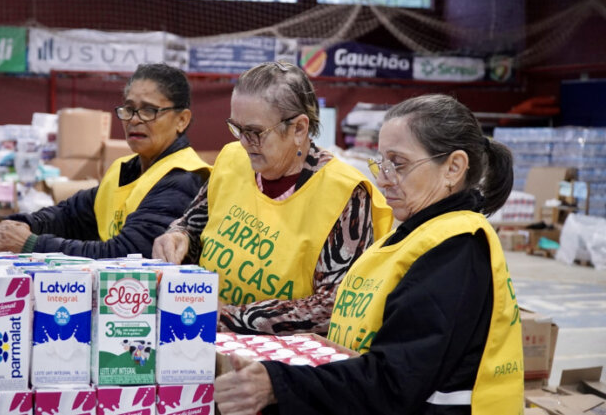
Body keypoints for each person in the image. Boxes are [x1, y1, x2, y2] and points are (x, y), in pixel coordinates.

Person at [214, 94, 524, 415]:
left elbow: (394, 381)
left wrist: (280, 384)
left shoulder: (456, 248)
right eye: (381, 163)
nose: (383, 179)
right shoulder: (411, 237)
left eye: (398, 164)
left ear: (453, 168)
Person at [153, 61, 393, 335]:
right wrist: (177, 236)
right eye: (236, 128)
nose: (243, 142)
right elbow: (193, 226)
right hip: (202, 330)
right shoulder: (232, 159)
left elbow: (333, 305)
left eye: (255, 132)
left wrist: (230, 317)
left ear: (299, 129)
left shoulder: (345, 193)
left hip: (284, 359)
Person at [0, 63, 211, 258]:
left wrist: (30, 244)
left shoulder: (184, 177)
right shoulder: (124, 170)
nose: (134, 119)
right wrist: (21, 224)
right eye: (129, 109)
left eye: (149, 110)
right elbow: (70, 215)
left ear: (182, 120)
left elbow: (125, 254)